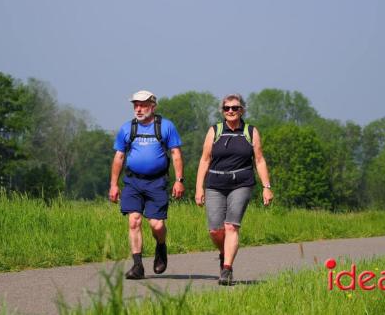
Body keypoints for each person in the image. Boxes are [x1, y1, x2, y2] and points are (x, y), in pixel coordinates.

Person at [195, 93, 273, 285]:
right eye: (227, 108)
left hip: (242, 183)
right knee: (215, 230)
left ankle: (227, 269)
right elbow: (205, 160)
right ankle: (224, 254)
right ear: (222, 111)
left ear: (242, 110)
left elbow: (260, 160)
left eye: (235, 108)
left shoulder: (250, 131)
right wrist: (199, 188)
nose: (230, 111)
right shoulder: (215, 130)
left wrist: (266, 187)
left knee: (231, 226)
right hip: (215, 184)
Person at [109, 90, 185, 279]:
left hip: (157, 182)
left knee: (157, 225)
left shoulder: (165, 127)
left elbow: (175, 154)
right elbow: (119, 156)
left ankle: (161, 246)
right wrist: (114, 184)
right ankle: (137, 265)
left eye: (142, 105)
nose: (139, 108)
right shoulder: (127, 128)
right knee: (134, 220)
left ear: (153, 106)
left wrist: (179, 180)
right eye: (135, 105)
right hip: (133, 182)